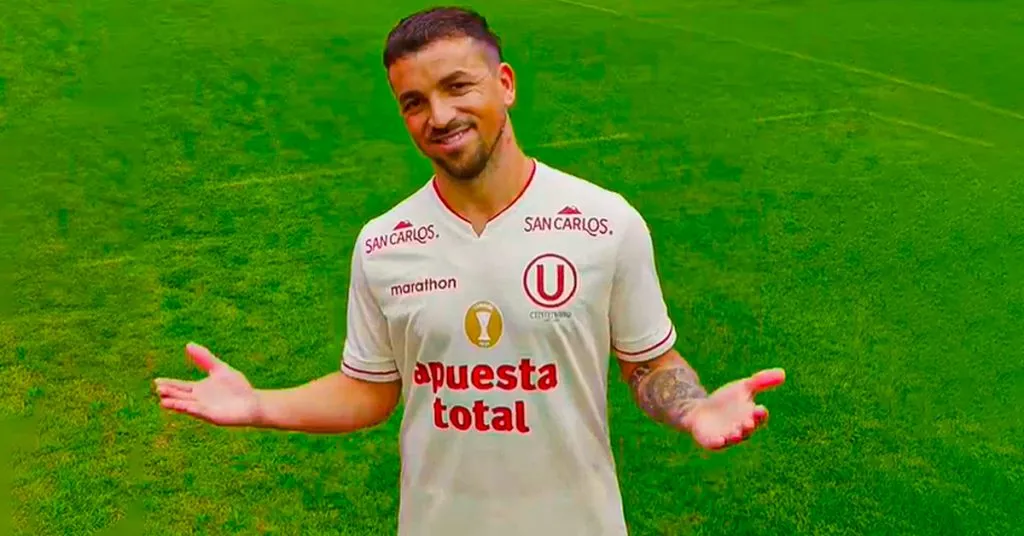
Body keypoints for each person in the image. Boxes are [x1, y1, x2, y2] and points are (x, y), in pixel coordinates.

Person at [154, 6, 786, 535]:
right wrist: (258, 404)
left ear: (505, 83)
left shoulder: (604, 222)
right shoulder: (384, 244)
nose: (438, 116)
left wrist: (695, 408)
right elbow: (370, 389)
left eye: (458, 86)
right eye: (413, 102)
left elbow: (648, 363)